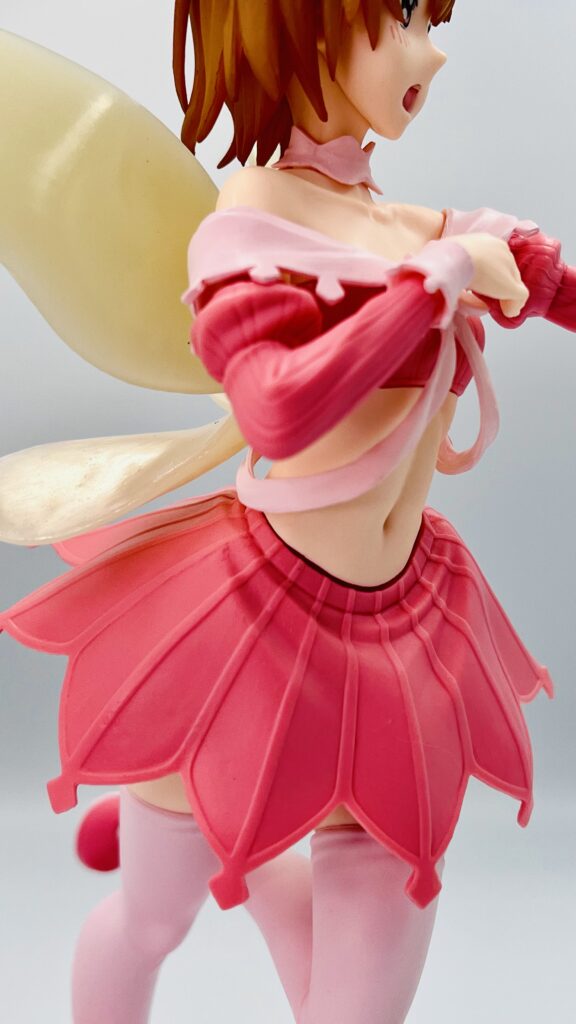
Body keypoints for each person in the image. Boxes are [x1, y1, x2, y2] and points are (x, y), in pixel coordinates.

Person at [1, 1, 575, 1021]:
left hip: (403, 634)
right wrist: (432, 286)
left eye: (428, 18)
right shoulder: (247, 230)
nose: (432, 51)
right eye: (399, 20)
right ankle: (215, 826)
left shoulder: (418, 228)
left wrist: (497, 262)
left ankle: (255, 853)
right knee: (151, 921)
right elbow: (273, 404)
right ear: (301, 34)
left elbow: (549, 285)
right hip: (243, 641)